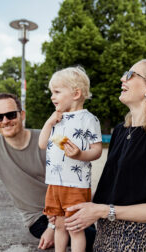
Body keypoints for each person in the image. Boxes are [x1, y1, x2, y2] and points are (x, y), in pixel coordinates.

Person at [64, 59, 146, 251]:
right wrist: (78, 202)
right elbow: (118, 189)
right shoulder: (120, 131)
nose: (122, 79)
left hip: (137, 243)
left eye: (130, 75)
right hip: (103, 240)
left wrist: (102, 210)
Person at [0, 93, 96, 252]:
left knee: (95, 234)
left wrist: (53, 227)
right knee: (94, 237)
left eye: (10, 115)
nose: (5, 121)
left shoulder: (46, 138)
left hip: (65, 206)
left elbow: (71, 178)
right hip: (38, 219)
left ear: (22, 115)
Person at [38, 66, 103, 252]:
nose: (52, 97)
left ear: (76, 93)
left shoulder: (88, 119)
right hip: (54, 183)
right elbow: (42, 144)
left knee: (75, 228)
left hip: (76, 184)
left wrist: (80, 155)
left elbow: (97, 150)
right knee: (59, 226)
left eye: (57, 92)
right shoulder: (56, 119)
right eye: (52, 92)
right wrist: (49, 122)